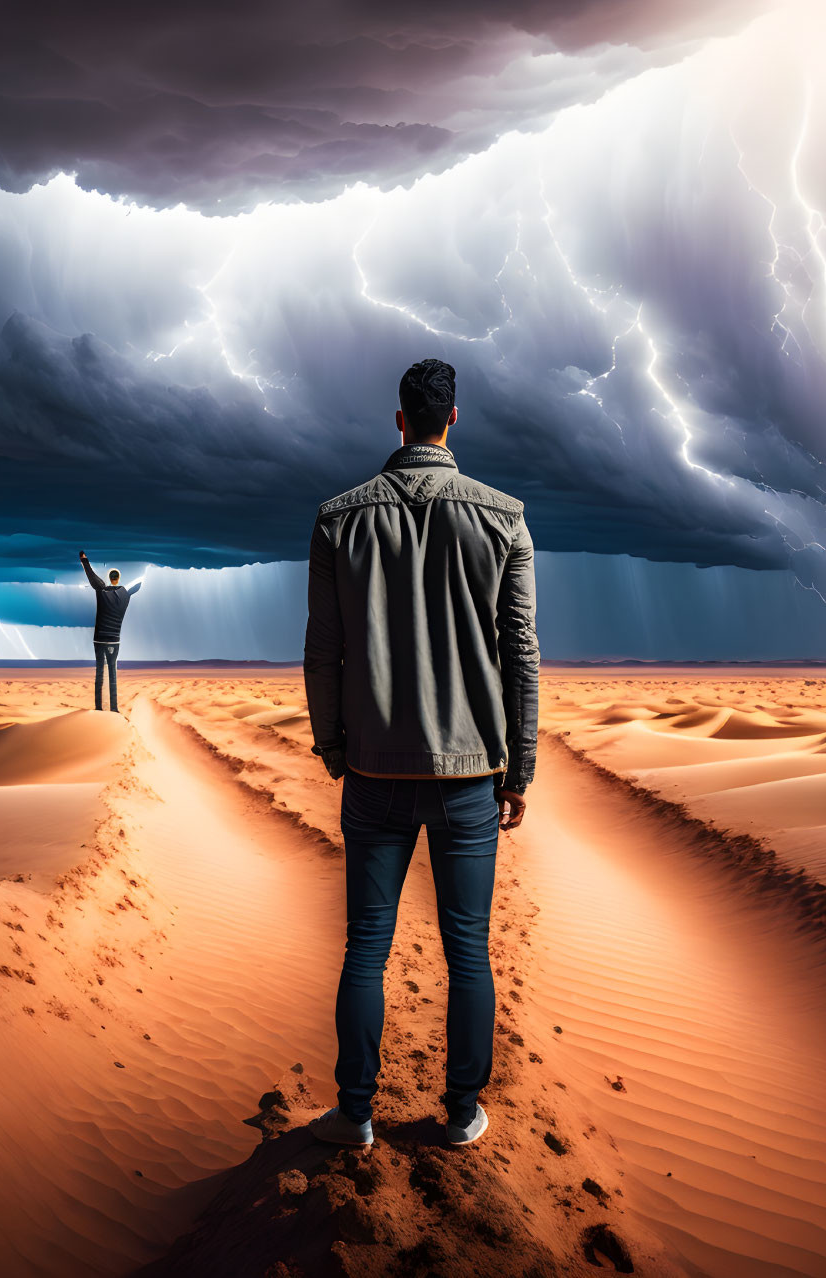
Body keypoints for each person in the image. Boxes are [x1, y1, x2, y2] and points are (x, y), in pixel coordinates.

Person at [303, 357, 539, 1150]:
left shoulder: (339, 517)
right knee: (466, 949)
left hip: (371, 769)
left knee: (365, 946)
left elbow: (323, 650)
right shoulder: (503, 516)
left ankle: (354, 1111)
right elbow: (520, 653)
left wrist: (334, 745)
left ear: (398, 420)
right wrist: (522, 767)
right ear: (453, 419)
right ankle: (463, 1108)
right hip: (471, 772)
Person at [79, 550, 139, 713]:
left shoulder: (102, 591)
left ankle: (99, 707)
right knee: (112, 673)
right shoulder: (126, 596)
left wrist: (85, 561)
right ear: (118, 579)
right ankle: (114, 708)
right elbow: (135, 588)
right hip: (114, 640)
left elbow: (94, 579)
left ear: (109, 579)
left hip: (99, 640)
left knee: (100, 673)